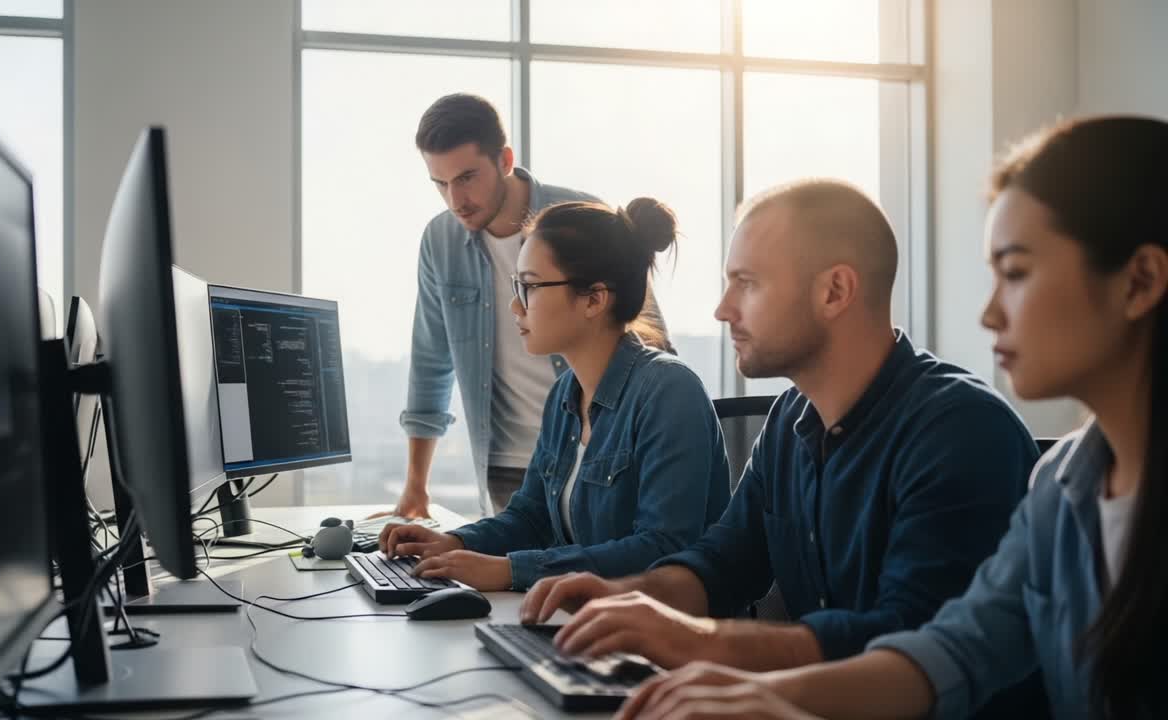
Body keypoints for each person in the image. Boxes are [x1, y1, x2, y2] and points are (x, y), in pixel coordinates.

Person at [618, 116, 1168, 719]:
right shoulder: (1064, 483)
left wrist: (716, 652)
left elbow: (914, 630)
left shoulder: (964, 431)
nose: (987, 315)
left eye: (1014, 274)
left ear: (1139, 281)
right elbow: (949, 651)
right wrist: (759, 697)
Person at [519, 180, 1044, 714]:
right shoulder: (790, 418)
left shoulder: (960, 431)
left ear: (835, 292)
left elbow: (908, 639)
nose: (723, 310)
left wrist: (701, 644)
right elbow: (724, 562)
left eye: (746, 284)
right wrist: (630, 601)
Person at [377, 198, 730, 592]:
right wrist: (456, 542)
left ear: (594, 299)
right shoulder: (566, 392)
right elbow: (531, 517)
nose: (515, 305)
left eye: (529, 286)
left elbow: (662, 549)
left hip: (660, 639)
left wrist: (510, 570)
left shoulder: (668, 392)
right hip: (579, 620)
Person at [389, 93, 668, 518]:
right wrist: (415, 488)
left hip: (599, 456)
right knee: (507, 579)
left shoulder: (576, 218)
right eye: (440, 184)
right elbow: (431, 362)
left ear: (504, 159)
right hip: (506, 467)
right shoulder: (440, 241)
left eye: (467, 177)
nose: (455, 199)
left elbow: (648, 337)